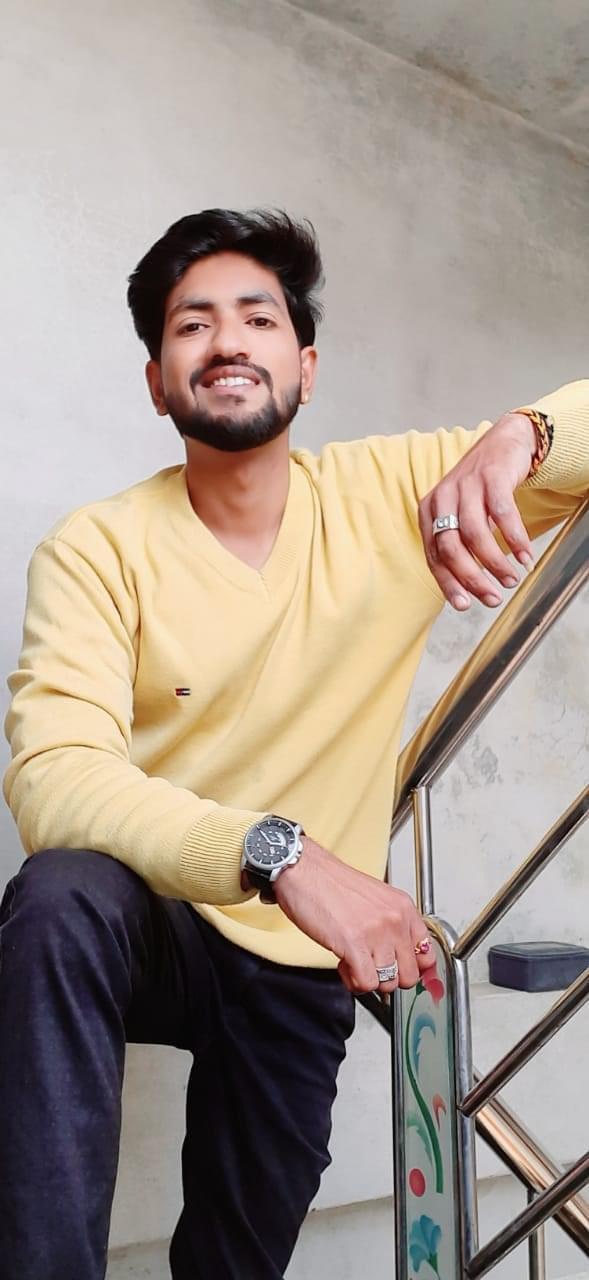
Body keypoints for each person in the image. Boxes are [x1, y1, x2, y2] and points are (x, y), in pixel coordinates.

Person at [1, 209, 587, 1280]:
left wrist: (523, 434)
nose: (226, 341)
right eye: (192, 324)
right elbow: (55, 777)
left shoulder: (392, 494)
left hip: (297, 964)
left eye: (257, 317)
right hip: (166, 914)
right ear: (156, 380)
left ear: (305, 368)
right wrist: (283, 854)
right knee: (59, 896)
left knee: (237, 1259)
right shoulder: (96, 546)